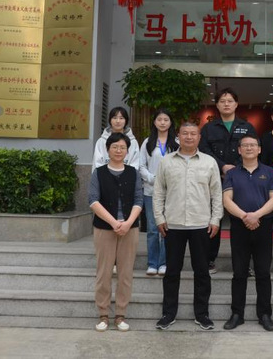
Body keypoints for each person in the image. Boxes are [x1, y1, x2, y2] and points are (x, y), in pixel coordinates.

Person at [153, 121, 223, 331]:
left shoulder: (209, 162)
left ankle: (202, 315)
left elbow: (217, 193)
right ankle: (168, 314)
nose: (189, 137)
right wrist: (159, 218)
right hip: (173, 224)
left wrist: (215, 219)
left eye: (193, 134)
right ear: (178, 137)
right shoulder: (166, 162)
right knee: (172, 272)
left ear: (199, 138)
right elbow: (158, 192)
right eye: (185, 133)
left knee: (202, 272)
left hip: (201, 224)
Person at [221, 135, 273, 332]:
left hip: (263, 226)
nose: (249, 148)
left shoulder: (269, 172)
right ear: (239, 150)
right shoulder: (232, 173)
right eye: (245, 145)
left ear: (259, 149)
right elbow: (227, 200)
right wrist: (245, 216)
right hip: (239, 226)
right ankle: (237, 314)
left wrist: (256, 216)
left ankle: (265, 314)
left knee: (263, 272)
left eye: (253, 145)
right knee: (239, 272)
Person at [88, 132, 143, 332]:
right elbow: (93, 200)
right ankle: (103, 313)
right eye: (115, 147)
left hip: (129, 228)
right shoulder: (99, 173)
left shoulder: (133, 173)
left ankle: (120, 314)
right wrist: (113, 222)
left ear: (127, 151)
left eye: (122, 147)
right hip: (104, 228)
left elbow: (139, 200)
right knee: (103, 273)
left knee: (125, 273)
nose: (118, 151)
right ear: (107, 149)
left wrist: (128, 223)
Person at [199, 87, 257, 273]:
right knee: (213, 218)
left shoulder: (247, 127)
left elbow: (251, 149)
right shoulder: (208, 128)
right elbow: (204, 151)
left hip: (242, 178)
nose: (226, 104)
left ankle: (244, 263)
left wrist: (235, 169)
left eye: (230, 101)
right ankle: (210, 260)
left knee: (241, 219)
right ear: (217, 105)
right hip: (214, 178)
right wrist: (223, 166)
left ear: (236, 104)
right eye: (222, 101)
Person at [139, 109, 178, 276]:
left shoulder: (176, 143)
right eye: (159, 119)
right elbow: (141, 165)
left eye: (166, 119)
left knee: (167, 228)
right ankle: (152, 263)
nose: (162, 122)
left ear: (171, 122)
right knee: (153, 229)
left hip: (171, 192)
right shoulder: (147, 142)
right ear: (154, 122)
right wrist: (152, 178)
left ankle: (163, 263)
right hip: (151, 191)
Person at [93, 106, 140, 171]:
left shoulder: (133, 142)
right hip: (105, 176)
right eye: (114, 118)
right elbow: (97, 163)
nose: (118, 121)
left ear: (126, 121)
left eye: (121, 118)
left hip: (127, 176)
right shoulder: (101, 141)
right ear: (110, 120)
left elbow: (135, 164)